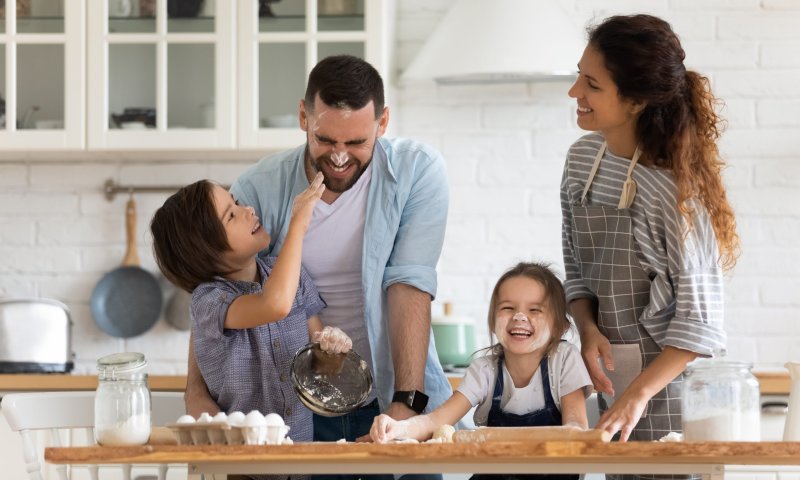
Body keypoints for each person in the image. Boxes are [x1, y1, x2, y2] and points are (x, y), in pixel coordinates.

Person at [183, 54, 452, 455]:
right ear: (304, 118)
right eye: (326, 140)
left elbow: (409, 284)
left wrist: (405, 401)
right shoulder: (258, 188)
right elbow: (219, 287)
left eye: (357, 142)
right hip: (295, 407)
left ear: (383, 123)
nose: (340, 156)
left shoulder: (418, 171)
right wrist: (196, 392)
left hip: (391, 392)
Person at [561, 13, 740, 479]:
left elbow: (700, 324)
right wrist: (586, 329)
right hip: (613, 382)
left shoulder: (671, 193)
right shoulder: (582, 161)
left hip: (675, 398)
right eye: (579, 75)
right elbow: (575, 265)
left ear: (636, 101)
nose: (574, 92)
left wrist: (637, 394)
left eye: (592, 84)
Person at [151, 174, 355, 454]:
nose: (248, 210)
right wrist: (299, 224)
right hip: (240, 468)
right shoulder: (209, 302)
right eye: (231, 216)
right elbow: (273, 305)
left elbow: (319, 371)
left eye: (236, 202)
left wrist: (333, 350)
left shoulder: (294, 278)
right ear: (205, 250)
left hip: (301, 463)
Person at [371, 262, 593, 480]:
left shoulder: (564, 359)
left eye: (534, 310)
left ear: (560, 327)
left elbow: (576, 429)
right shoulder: (486, 370)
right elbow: (436, 421)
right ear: (491, 321)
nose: (519, 317)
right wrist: (399, 428)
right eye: (508, 308)